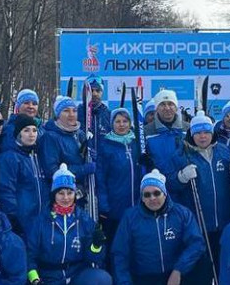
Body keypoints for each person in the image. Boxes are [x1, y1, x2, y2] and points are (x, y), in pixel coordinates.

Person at [168, 112, 230, 285]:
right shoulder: (182, 155)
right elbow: (169, 186)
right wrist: (180, 177)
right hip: (197, 223)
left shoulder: (224, 152)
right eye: (198, 132)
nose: (202, 136)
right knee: (201, 270)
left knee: (224, 267)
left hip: (224, 221)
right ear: (192, 133)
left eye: (206, 132)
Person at [112, 169, 207, 285]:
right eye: (147, 195)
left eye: (156, 193)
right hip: (144, 275)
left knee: (202, 265)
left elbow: (197, 244)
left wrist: (178, 270)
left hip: (172, 275)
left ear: (164, 193)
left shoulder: (181, 213)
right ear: (141, 197)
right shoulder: (130, 217)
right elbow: (119, 254)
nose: (152, 198)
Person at [23, 164, 111, 285]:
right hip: (50, 279)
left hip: (76, 273)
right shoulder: (40, 221)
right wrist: (36, 280)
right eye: (61, 193)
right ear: (54, 195)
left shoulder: (83, 219)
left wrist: (97, 245)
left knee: (103, 279)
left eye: (69, 192)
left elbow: (93, 257)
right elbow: (29, 255)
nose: (66, 197)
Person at [95, 107, 143, 248]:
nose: (121, 125)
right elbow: (101, 177)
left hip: (137, 202)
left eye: (125, 121)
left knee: (136, 241)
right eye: (117, 121)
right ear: (112, 124)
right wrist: (103, 204)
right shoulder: (106, 145)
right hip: (116, 204)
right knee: (117, 242)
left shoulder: (137, 143)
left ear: (130, 123)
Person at [0, 116, 46, 235]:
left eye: (34, 130)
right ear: (19, 134)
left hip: (41, 220)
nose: (31, 134)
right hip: (21, 219)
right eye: (26, 130)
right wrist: (13, 217)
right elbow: (6, 191)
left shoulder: (39, 157)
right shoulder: (10, 158)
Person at [38, 96, 94, 192]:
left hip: (80, 191)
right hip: (61, 193)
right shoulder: (50, 137)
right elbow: (52, 170)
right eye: (66, 111)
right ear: (58, 114)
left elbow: (81, 158)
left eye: (74, 111)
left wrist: (92, 156)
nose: (71, 114)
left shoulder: (79, 133)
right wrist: (83, 169)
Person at [144, 89, 189, 178]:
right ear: (156, 108)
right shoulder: (146, 131)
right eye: (162, 104)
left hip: (185, 183)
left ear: (176, 107)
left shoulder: (188, 129)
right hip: (157, 185)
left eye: (170, 104)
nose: (167, 108)